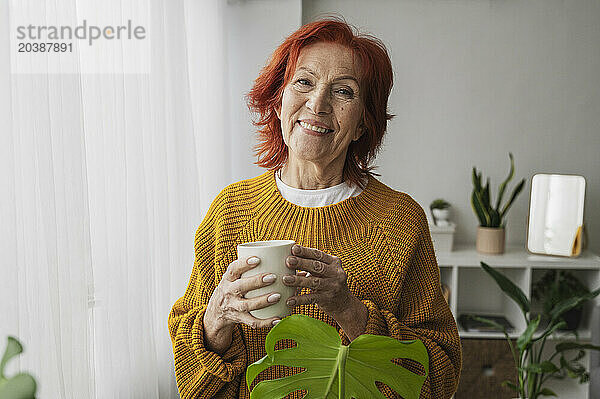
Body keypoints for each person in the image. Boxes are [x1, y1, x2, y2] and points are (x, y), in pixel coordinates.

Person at [168, 17, 462, 399]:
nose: (318, 104)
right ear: (278, 101)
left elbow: (442, 373)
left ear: (362, 125)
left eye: (343, 92)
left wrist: (351, 311)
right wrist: (216, 319)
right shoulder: (230, 212)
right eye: (304, 82)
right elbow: (193, 386)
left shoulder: (400, 220)